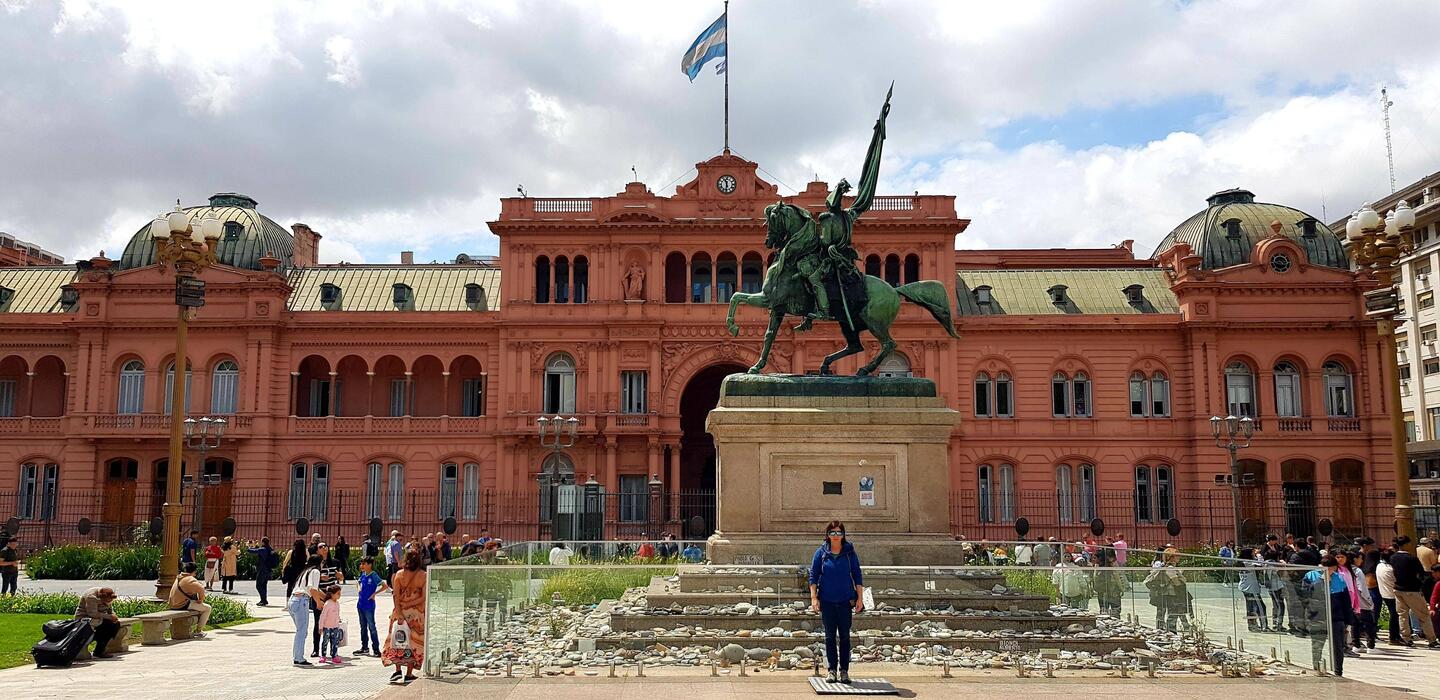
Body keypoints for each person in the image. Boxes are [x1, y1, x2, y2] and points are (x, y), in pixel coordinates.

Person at [809, 520, 864, 685]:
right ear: (827, 535)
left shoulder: (849, 553)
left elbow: (857, 575)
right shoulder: (821, 553)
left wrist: (860, 598)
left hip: (845, 601)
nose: (835, 535)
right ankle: (832, 670)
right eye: (832, 532)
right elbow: (813, 575)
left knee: (845, 637)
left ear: (843, 535)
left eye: (839, 532)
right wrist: (813, 597)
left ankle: (844, 671)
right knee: (830, 637)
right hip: (827, 601)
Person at [384, 547, 427, 683]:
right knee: (413, 643)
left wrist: (399, 610)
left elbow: (395, 594)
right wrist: (410, 604)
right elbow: (423, 597)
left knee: (398, 639)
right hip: (416, 614)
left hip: (399, 612)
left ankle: (397, 670)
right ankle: (409, 673)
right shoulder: (423, 575)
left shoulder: (399, 574)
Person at [1391, 536, 1439, 647]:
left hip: (1398, 588)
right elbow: (1421, 573)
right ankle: (1432, 639)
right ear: (1407, 545)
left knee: (1402, 614)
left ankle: (1406, 638)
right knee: (1423, 615)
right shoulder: (1411, 558)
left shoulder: (1393, 557)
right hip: (1412, 589)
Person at [289, 554, 324, 666]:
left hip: (293, 600)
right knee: (302, 631)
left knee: (300, 631)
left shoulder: (305, 572)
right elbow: (312, 589)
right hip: (301, 601)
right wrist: (318, 602)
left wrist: (326, 597)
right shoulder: (315, 572)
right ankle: (299, 658)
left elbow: (316, 590)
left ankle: (297, 656)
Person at [74, 586, 120, 658]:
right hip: (85, 618)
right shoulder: (91, 597)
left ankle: (100, 649)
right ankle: (98, 647)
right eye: (106, 601)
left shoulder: (108, 596)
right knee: (108, 626)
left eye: (109, 601)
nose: (107, 603)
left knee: (115, 625)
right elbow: (92, 613)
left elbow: (110, 610)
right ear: (101, 597)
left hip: (100, 618)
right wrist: (109, 617)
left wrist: (113, 616)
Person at [167, 563, 211, 636]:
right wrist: (200, 600)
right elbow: (201, 589)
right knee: (207, 608)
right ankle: (198, 630)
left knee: (197, 606)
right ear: (195, 571)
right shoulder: (190, 580)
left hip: (173, 604)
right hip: (181, 605)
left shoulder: (179, 577)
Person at [357, 556, 388, 656]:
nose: (362, 566)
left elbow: (384, 586)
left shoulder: (373, 575)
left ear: (370, 565)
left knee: (372, 627)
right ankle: (364, 647)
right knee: (363, 627)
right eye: (361, 564)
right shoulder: (363, 574)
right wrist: (359, 588)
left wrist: (375, 594)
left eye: (364, 564)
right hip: (360, 604)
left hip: (369, 605)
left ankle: (376, 649)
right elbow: (358, 582)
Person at [1345, 550, 1375, 652]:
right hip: (1360, 601)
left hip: (1350, 602)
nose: (1362, 560)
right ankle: (1371, 646)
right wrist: (1369, 600)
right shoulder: (1357, 571)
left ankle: (1356, 645)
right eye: (1360, 558)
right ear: (1355, 559)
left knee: (1355, 624)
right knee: (1368, 623)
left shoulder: (1344, 570)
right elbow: (1362, 587)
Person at [1238, 547, 1268, 631]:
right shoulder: (1247, 563)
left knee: (1250, 607)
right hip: (1251, 588)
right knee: (1261, 607)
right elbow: (1261, 564)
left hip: (1245, 587)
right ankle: (1264, 626)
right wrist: (1259, 555)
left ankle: (1252, 625)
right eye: (1252, 553)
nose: (1253, 554)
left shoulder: (1242, 562)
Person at [1377, 548, 1401, 644]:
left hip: (1384, 593)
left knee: (1394, 615)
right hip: (1392, 594)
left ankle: (1395, 636)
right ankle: (1394, 636)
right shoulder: (1390, 569)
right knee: (1395, 615)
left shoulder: (1379, 566)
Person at [1262, 547, 1288, 632]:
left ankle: (1274, 623)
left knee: (1275, 605)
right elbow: (1280, 573)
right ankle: (1279, 624)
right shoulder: (1272, 564)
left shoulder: (1265, 563)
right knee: (1281, 605)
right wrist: (1283, 565)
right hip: (1277, 587)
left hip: (1270, 587)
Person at [318, 585, 344, 664]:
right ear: (332, 594)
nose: (339, 595)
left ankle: (334, 656)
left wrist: (338, 621)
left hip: (335, 627)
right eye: (338, 593)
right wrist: (320, 627)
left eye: (340, 593)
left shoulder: (337, 603)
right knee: (325, 641)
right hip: (327, 627)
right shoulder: (328, 603)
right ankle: (323, 656)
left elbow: (337, 614)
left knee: (335, 642)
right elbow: (323, 616)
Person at [248, 536, 276, 606]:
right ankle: (264, 599)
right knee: (264, 585)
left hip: (262, 570)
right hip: (268, 569)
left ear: (263, 542)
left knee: (259, 586)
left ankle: (263, 600)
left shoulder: (263, 549)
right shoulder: (270, 549)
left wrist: (248, 546)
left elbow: (251, 551)